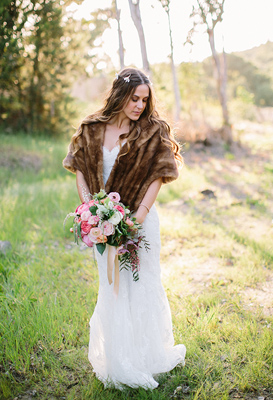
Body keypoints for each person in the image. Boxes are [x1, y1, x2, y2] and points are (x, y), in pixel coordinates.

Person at [63, 67, 186, 389]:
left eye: (145, 100)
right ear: (119, 95)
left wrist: (138, 217)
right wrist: (91, 213)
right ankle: (118, 359)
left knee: (140, 282)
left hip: (139, 223)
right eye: (134, 99)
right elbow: (79, 170)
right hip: (101, 226)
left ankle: (146, 357)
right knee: (111, 286)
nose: (139, 106)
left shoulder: (152, 131)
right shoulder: (91, 128)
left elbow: (159, 175)